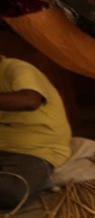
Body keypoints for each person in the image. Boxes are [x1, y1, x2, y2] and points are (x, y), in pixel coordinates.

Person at [0, 56, 71, 209]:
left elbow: (30, 101)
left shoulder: (18, 69)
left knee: (11, 192)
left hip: (36, 150)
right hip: (3, 147)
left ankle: (39, 177)